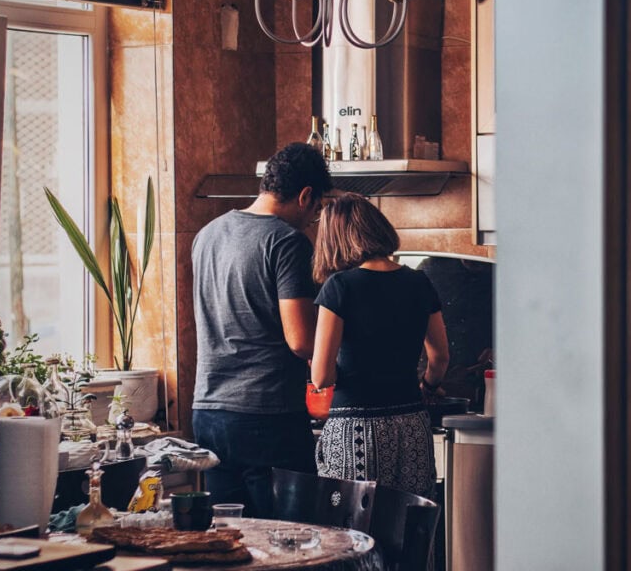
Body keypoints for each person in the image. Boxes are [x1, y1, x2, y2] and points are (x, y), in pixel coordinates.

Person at [191, 142, 331, 518]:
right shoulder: (287, 242)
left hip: (208, 412)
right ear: (305, 196)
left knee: (233, 541)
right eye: (316, 210)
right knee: (292, 541)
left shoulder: (207, 235)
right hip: (265, 417)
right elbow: (301, 341)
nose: (312, 220)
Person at [311, 193, 449, 498]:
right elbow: (439, 357)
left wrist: (326, 365)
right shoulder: (419, 282)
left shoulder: (340, 286)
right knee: (410, 527)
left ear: (335, 239)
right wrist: (427, 386)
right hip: (412, 424)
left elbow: (321, 377)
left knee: (352, 535)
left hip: (355, 430)